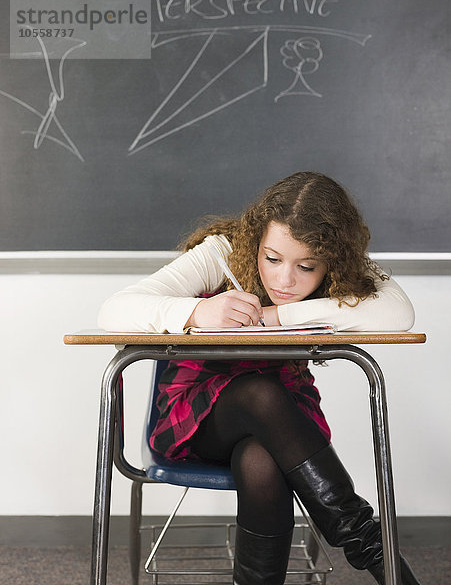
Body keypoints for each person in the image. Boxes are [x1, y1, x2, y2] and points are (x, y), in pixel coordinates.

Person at [98, 171, 422, 585]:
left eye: (306, 266)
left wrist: (278, 316)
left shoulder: (340, 265)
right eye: (272, 259)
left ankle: (361, 544)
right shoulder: (222, 252)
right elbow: (114, 310)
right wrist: (196, 313)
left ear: (331, 261)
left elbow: (398, 314)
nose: (284, 280)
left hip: (285, 427)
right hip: (195, 421)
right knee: (259, 393)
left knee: (261, 458)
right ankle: (372, 547)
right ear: (257, 241)